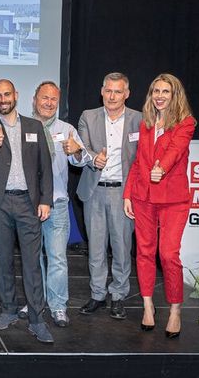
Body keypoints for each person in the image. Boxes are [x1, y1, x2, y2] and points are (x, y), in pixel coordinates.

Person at [0, 79, 54, 343]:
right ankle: (8, 310)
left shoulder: (34, 126)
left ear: (16, 95)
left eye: (7, 94)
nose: (3, 99)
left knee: (32, 264)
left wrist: (46, 200)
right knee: (3, 260)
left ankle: (36, 319)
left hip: (28, 203)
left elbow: (45, 166)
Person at [123, 73, 196, 338]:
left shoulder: (186, 123)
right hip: (143, 196)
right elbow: (138, 161)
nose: (160, 96)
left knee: (167, 254)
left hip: (173, 198)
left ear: (175, 95)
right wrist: (128, 194)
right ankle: (148, 305)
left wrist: (161, 169)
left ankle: (175, 310)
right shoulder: (146, 123)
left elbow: (175, 151)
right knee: (143, 252)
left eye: (165, 91)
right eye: (156, 91)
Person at [17, 81, 90, 328]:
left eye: (53, 100)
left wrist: (77, 151)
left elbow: (82, 162)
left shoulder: (66, 129)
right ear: (34, 99)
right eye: (44, 98)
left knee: (57, 257)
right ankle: (34, 301)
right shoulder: (22, 126)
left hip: (57, 203)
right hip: (28, 204)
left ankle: (58, 306)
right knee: (31, 257)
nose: (48, 103)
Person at [76, 72, 142, 320]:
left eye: (118, 91)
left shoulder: (139, 120)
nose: (112, 96)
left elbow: (142, 158)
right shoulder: (88, 116)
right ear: (101, 91)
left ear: (127, 94)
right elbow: (81, 149)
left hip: (124, 193)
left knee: (122, 247)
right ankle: (97, 294)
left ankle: (118, 296)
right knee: (95, 248)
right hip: (94, 190)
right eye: (108, 90)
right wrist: (94, 158)